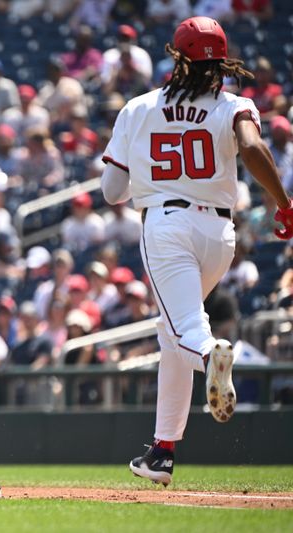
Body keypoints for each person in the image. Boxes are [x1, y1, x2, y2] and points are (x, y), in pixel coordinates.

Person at [100, 16, 293, 486]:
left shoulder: (139, 108)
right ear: (222, 61)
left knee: (187, 329)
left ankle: (212, 357)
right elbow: (251, 149)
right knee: (172, 333)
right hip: (219, 234)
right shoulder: (237, 106)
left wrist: (151, 175)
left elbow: (112, 191)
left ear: (178, 56)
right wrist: (284, 203)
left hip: (166, 226)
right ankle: (162, 452)